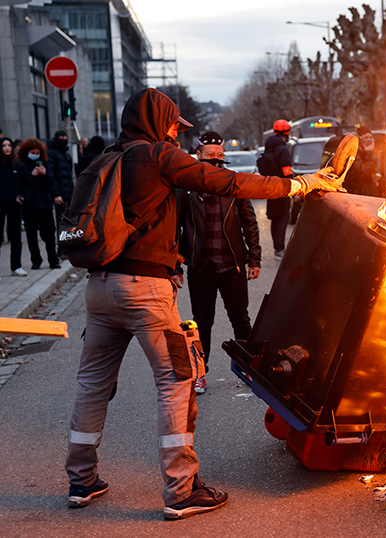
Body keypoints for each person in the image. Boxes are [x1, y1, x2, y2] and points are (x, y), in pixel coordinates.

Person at [64, 88, 342, 519]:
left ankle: (81, 480)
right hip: (145, 290)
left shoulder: (106, 158)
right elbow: (227, 182)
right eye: (174, 124)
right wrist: (298, 185)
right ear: (160, 122)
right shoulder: (159, 156)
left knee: (92, 384)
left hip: (98, 288)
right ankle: (181, 489)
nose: (176, 132)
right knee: (177, 382)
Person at [176, 131, 261, 395]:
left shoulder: (233, 185)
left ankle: (250, 368)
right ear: (198, 155)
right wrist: (174, 264)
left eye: (220, 156)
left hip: (231, 264)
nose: (216, 160)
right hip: (200, 267)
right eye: (210, 155)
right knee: (201, 323)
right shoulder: (186, 188)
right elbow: (173, 227)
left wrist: (254, 258)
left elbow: (250, 223)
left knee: (240, 319)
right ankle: (200, 374)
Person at [17, 138, 62, 270]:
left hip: (44, 204)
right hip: (29, 205)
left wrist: (44, 174)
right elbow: (22, 184)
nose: (35, 154)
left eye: (37, 152)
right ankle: (35, 260)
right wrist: (32, 175)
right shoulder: (22, 165)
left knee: (49, 234)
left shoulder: (45, 164)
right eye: (32, 152)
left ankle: (53, 260)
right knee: (31, 236)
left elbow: (51, 182)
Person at [260, 119, 293, 259]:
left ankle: (277, 248)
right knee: (283, 220)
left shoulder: (269, 147)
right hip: (282, 189)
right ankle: (280, 250)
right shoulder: (283, 149)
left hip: (270, 188)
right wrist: (293, 186)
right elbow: (287, 172)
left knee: (275, 219)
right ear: (287, 133)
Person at [0, 137, 26, 276]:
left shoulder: (18, 165)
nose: (7, 148)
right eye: (4, 145)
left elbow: (27, 184)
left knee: (16, 236)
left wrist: (21, 196)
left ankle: (16, 266)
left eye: (9, 145)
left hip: (15, 205)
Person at [47, 130, 74, 259]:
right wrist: (56, 194)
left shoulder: (66, 155)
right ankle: (61, 248)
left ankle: (66, 247)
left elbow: (69, 176)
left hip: (68, 194)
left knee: (68, 223)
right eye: (61, 137)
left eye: (65, 137)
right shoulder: (52, 154)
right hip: (60, 195)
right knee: (61, 222)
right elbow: (51, 176)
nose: (64, 139)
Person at [343, 126, 380, 196]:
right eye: (366, 137)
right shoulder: (354, 153)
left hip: (368, 191)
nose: (369, 140)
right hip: (359, 193)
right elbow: (365, 171)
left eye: (371, 137)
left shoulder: (367, 152)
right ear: (360, 139)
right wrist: (369, 153)